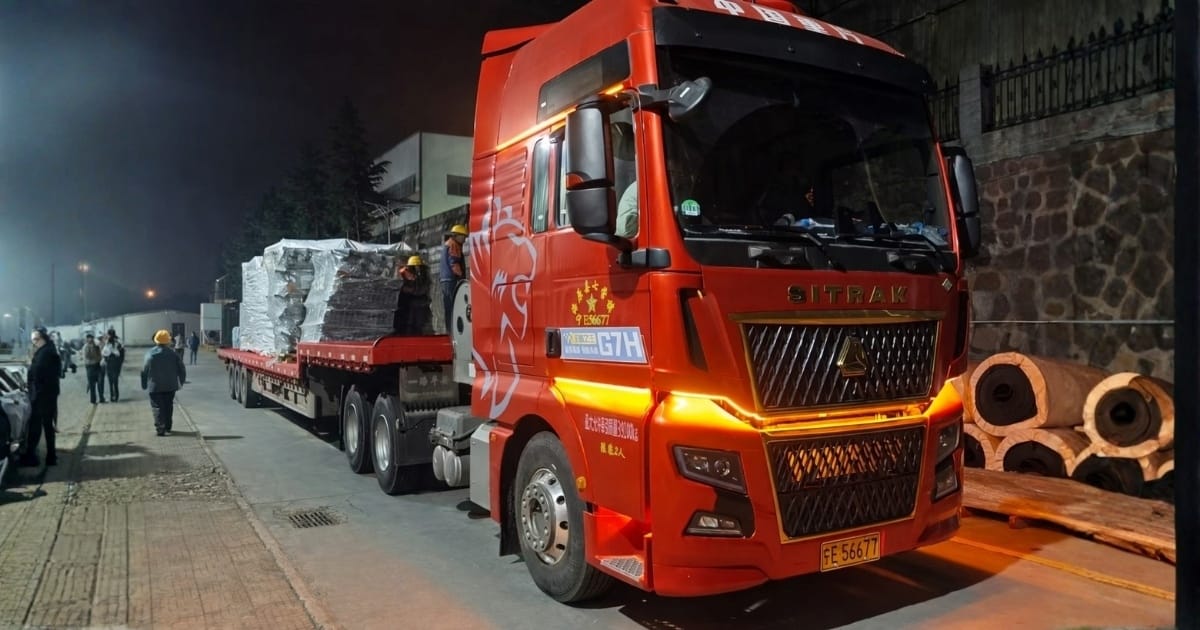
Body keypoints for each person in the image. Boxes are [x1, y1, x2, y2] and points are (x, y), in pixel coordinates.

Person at [20, 327, 61, 466]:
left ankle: (33, 456)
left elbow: (38, 375)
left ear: (43, 338)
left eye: (36, 340)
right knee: (47, 426)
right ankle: (50, 456)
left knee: (37, 426)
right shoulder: (48, 350)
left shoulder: (45, 354)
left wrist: (34, 395)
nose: (34, 343)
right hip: (47, 394)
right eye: (33, 341)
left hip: (42, 396)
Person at [142, 329, 186, 436]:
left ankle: (160, 427)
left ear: (156, 341)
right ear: (168, 341)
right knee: (168, 405)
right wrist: (181, 381)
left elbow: (144, 370)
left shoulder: (150, 354)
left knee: (157, 406)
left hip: (154, 386)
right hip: (170, 386)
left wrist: (144, 384)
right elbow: (182, 369)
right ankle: (168, 426)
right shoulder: (173, 354)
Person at [395, 255, 432, 335]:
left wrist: (411, 290)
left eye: (417, 267)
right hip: (411, 304)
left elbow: (422, 289)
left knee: (418, 324)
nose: (416, 269)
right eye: (413, 267)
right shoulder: (406, 274)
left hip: (420, 304)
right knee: (410, 324)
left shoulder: (423, 277)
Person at [440, 224, 467, 331]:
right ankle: (452, 331)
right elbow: (454, 264)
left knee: (449, 307)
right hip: (450, 280)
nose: (465, 239)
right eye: (463, 237)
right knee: (453, 307)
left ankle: (450, 330)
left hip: (446, 279)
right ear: (457, 235)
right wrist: (462, 279)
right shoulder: (453, 245)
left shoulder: (448, 244)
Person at [102, 330, 124, 402]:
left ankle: (116, 396)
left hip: (115, 364)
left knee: (114, 381)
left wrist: (119, 363)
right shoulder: (107, 343)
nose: (108, 336)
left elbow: (121, 355)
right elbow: (104, 353)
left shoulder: (118, 343)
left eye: (109, 335)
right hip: (109, 364)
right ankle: (112, 396)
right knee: (111, 382)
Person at [82, 333, 104, 404]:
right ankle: (93, 400)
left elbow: (101, 352)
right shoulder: (86, 347)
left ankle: (101, 398)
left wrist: (100, 344)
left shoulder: (96, 345)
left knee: (100, 383)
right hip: (90, 367)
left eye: (91, 338)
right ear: (87, 339)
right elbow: (88, 356)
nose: (90, 339)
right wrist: (92, 348)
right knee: (92, 385)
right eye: (89, 338)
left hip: (97, 365)